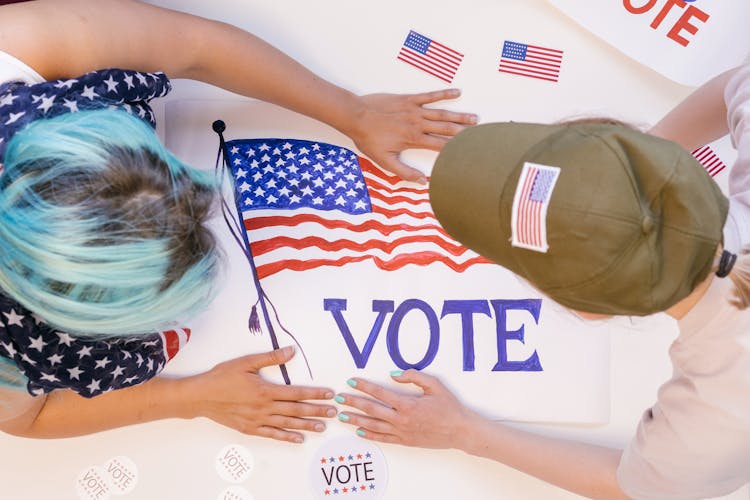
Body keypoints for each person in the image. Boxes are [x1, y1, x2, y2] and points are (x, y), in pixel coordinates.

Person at [0, 0, 477, 441]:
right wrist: (191, 398)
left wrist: (352, 112)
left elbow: (198, 47)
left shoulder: (13, 49)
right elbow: (32, 416)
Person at [336, 63, 750, 499]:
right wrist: (636, 173)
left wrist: (467, 433)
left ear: (587, 312)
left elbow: (637, 487)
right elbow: (738, 83)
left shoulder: (722, 411)